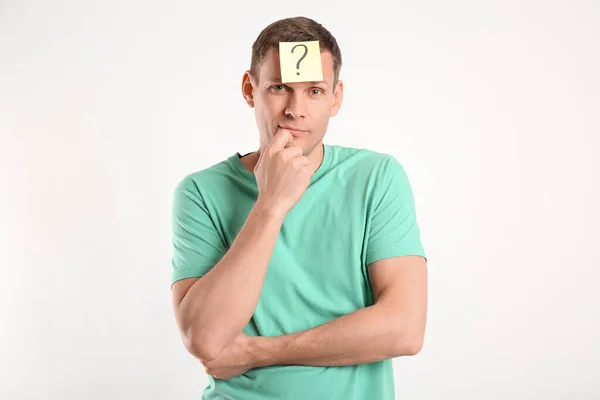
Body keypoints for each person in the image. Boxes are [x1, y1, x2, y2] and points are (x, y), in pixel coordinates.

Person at [170, 16, 428, 400]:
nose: (296, 109)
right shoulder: (201, 191)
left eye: (315, 91)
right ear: (249, 89)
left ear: (336, 97)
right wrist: (271, 204)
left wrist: (259, 352)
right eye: (279, 88)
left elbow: (404, 328)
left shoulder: (376, 177)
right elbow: (205, 339)